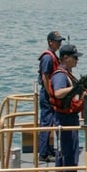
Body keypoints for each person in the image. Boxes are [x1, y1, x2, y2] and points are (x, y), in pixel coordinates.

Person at [49, 43, 87, 172]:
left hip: (69, 117)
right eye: (74, 58)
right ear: (65, 58)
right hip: (65, 118)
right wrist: (75, 88)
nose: (77, 61)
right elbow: (58, 93)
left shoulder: (67, 73)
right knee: (69, 152)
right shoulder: (60, 75)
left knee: (68, 151)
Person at [38, 31, 65, 163]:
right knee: (46, 123)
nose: (59, 44)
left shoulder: (53, 56)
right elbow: (45, 77)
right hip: (47, 94)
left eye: (60, 41)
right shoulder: (48, 57)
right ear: (50, 42)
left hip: (50, 92)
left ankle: (48, 149)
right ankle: (43, 153)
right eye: (57, 41)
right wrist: (51, 95)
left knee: (51, 122)